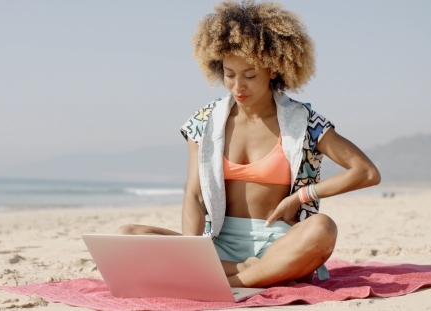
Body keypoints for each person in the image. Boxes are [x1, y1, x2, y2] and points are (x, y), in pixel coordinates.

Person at [116, 0, 380, 288]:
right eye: (229, 75)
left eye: (250, 75)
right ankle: (245, 273)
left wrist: (300, 197)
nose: (238, 86)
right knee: (126, 234)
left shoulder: (305, 122)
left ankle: (229, 282)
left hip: (280, 243)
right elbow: (193, 196)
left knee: (323, 228)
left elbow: (365, 172)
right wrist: (193, 254)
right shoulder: (204, 122)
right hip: (218, 244)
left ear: (274, 70)